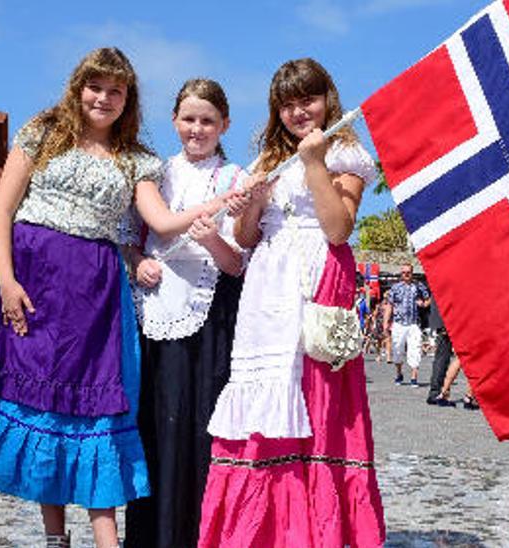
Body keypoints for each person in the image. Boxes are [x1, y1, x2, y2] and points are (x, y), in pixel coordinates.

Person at [0, 47, 157, 548]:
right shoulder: (44, 130)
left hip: (96, 296)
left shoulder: (137, 158)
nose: (103, 98)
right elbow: (2, 212)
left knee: (95, 408)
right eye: (95, 86)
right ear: (78, 87)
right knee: (44, 402)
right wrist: (7, 281)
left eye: (115, 90)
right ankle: (55, 537)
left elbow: (156, 223)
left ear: (129, 97)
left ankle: (107, 542)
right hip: (33, 283)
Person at [199, 58, 385, 548]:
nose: (300, 111)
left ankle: (317, 533)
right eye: (288, 104)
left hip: (318, 278)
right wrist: (253, 203)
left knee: (318, 396)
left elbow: (338, 228)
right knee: (266, 395)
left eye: (309, 99)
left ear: (328, 98)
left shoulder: (345, 151)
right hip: (266, 288)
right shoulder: (265, 161)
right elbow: (245, 239)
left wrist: (314, 162)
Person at [123, 78, 245, 548]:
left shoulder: (235, 179)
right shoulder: (155, 174)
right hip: (153, 315)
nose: (197, 129)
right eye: (189, 119)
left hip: (211, 320)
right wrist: (140, 263)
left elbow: (236, 263)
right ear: (174, 121)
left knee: (200, 433)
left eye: (208, 121)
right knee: (153, 428)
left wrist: (211, 238)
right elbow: (131, 241)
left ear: (224, 125)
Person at [385, 264, 431, 387]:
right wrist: (386, 322)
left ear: (412, 273)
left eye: (408, 272)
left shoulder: (419, 286)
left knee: (415, 348)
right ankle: (399, 373)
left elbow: (428, 299)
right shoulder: (395, 288)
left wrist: (423, 304)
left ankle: (414, 376)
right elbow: (389, 305)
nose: (406, 274)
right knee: (398, 349)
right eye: (404, 272)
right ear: (401, 274)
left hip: (414, 324)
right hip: (399, 323)